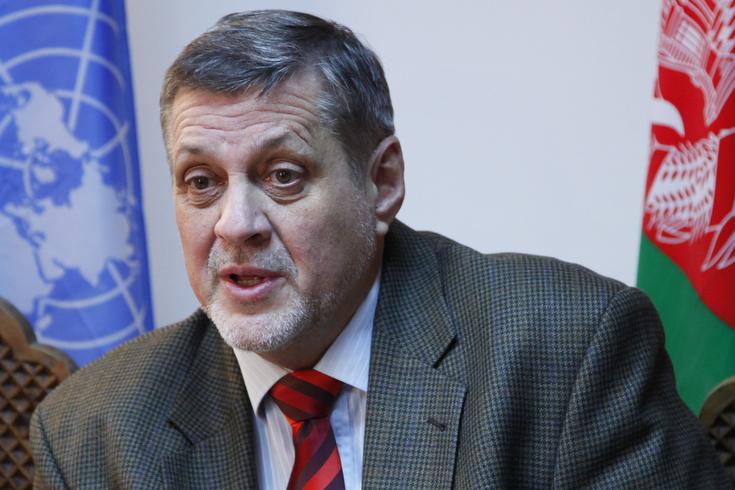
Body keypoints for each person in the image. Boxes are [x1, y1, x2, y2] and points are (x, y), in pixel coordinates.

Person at [30, 9, 729, 489]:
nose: (234, 224)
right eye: (201, 182)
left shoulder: (567, 351)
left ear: (382, 182)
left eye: (283, 175)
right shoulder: (94, 431)